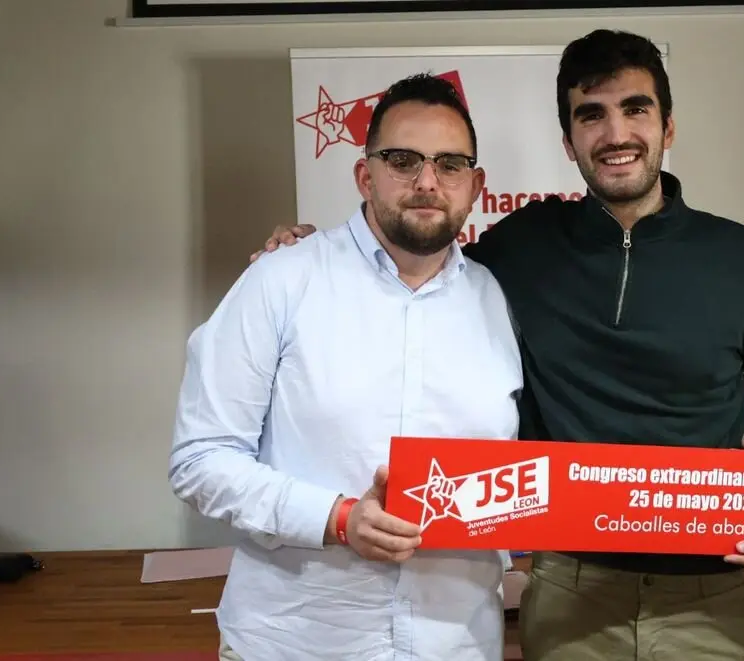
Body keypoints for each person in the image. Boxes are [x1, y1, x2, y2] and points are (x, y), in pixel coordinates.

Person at [252, 29, 744, 661]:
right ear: (569, 142)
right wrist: (312, 249)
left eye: (635, 109)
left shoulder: (743, 258)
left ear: (667, 127)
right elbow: (413, 263)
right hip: (569, 592)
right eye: (592, 115)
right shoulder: (523, 244)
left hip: (712, 590)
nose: (615, 134)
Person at [168, 73, 524, 661]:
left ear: (476, 184)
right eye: (403, 160)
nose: (427, 181)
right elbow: (200, 460)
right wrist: (335, 518)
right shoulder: (281, 280)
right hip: (296, 641)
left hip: (457, 642)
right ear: (365, 174)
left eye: (451, 164)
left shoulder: (498, 299)